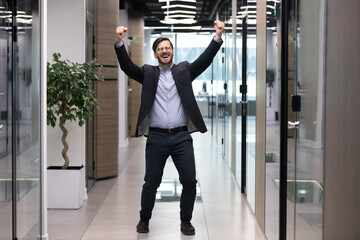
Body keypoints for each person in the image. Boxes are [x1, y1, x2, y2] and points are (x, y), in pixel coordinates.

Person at [114, 20, 224, 236]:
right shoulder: (148, 73)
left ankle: (186, 221)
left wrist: (217, 36)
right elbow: (127, 68)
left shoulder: (184, 71)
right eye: (160, 49)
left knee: (190, 181)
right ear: (155, 54)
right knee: (151, 183)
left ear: (172, 51)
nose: (164, 51)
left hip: (182, 138)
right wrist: (120, 42)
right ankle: (144, 219)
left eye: (167, 48)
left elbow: (204, 60)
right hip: (157, 138)